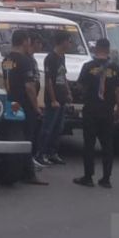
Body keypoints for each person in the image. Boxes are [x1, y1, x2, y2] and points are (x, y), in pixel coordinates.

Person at [73, 38, 119, 188]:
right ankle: (106, 178)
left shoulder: (88, 66)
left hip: (91, 109)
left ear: (96, 49)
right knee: (107, 145)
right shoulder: (115, 68)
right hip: (107, 110)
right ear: (108, 50)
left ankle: (88, 177)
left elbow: (80, 87)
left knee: (89, 144)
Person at [1, 29, 47, 185]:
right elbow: (29, 87)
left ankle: (18, 169)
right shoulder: (24, 61)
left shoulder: (7, 59)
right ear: (24, 41)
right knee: (28, 139)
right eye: (28, 40)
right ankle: (29, 173)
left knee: (15, 137)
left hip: (11, 102)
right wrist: (36, 107)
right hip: (25, 104)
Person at [39, 30, 73, 165]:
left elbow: (63, 76)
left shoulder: (62, 57)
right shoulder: (50, 58)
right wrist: (53, 99)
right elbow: (49, 81)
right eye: (69, 41)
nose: (70, 44)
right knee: (48, 128)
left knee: (59, 128)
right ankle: (41, 153)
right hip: (53, 99)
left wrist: (68, 91)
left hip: (62, 97)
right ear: (63, 42)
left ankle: (53, 152)